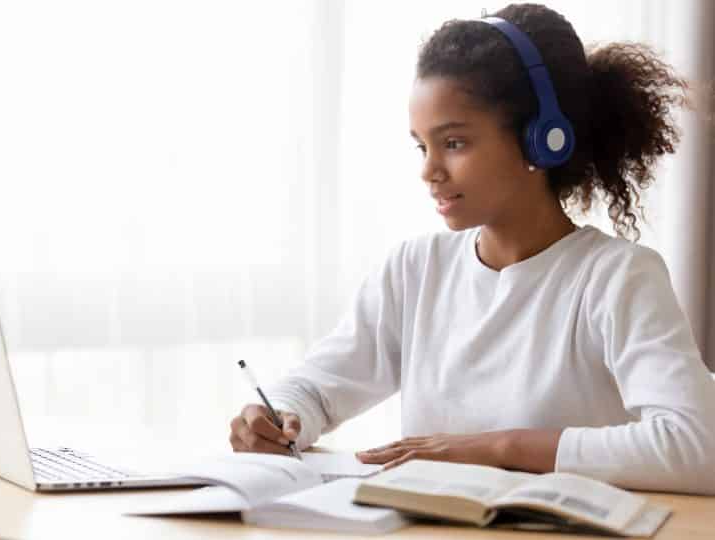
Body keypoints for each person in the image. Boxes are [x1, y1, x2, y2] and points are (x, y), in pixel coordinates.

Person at [228, 3, 715, 495]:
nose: (429, 170)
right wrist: (279, 416)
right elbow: (314, 390)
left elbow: (700, 447)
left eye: (454, 143)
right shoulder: (416, 270)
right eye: (422, 146)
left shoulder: (617, 277)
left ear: (542, 140)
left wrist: (498, 448)